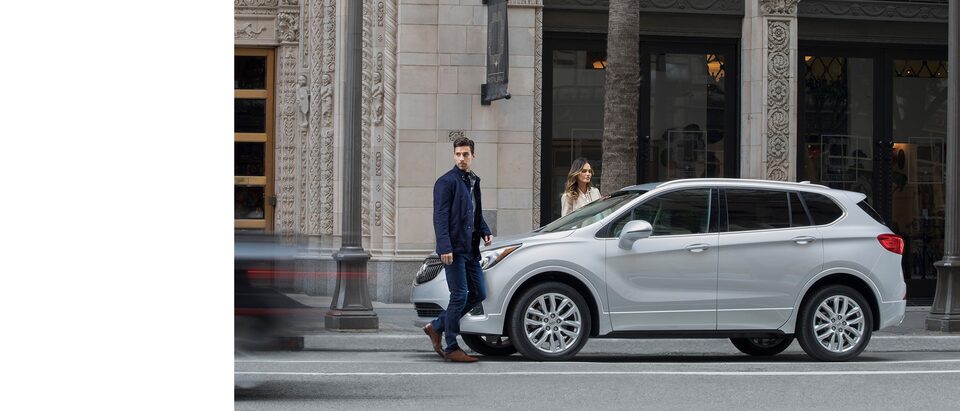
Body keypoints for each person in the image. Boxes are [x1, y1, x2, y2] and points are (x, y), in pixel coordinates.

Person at [423, 137, 493, 363]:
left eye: (465, 154)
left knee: (479, 293)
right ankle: (452, 346)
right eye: (458, 154)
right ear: (454, 156)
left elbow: (475, 211)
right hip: (453, 249)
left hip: (471, 248)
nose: (461, 158)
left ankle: (436, 326)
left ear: (473, 156)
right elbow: (440, 217)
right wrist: (444, 246)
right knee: (459, 295)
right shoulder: (446, 182)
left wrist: (484, 229)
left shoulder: (474, 180)